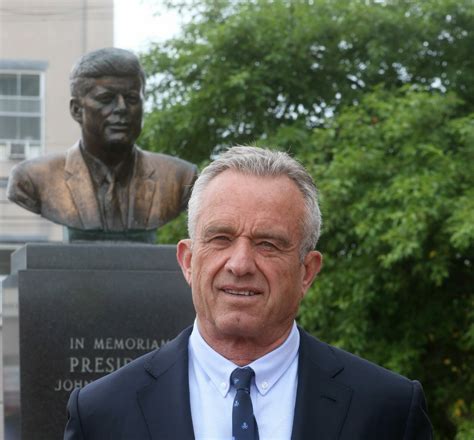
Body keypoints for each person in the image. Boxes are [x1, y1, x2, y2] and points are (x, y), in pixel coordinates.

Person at [64, 146, 433, 439]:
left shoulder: (387, 408)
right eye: (221, 238)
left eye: (268, 244)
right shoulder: (102, 412)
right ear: (188, 261)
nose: (240, 264)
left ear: (307, 271)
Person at [7, 48, 197, 240]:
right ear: (76, 110)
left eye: (131, 99)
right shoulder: (32, 179)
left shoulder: (181, 179)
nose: (122, 108)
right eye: (106, 99)